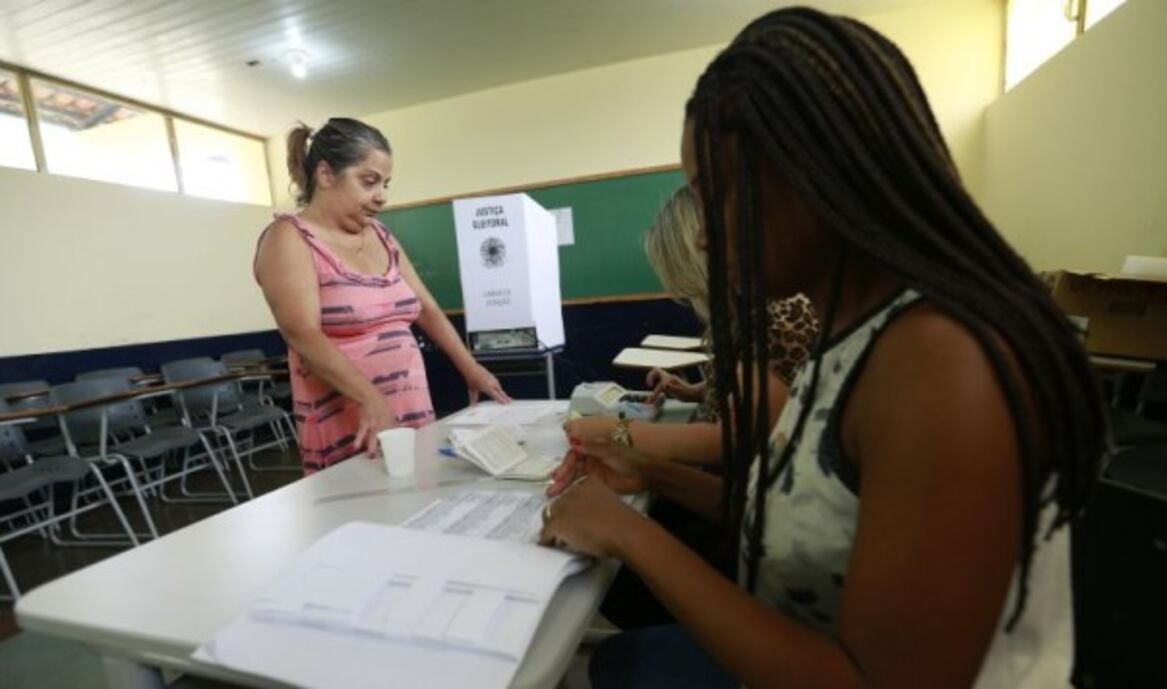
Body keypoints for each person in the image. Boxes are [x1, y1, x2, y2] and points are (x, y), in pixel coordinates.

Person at [541, 8, 1106, 689]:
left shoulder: (941, 359)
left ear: (815, 175)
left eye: (715, 197)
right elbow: (805, 523)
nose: (699, 240)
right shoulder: (848, 335)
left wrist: (630, 534)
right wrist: (650, 476)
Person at [255, 118, 510, 474]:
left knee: (418, 499)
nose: (382, 196)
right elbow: (302, 333)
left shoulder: (381, 235)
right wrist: (369, 399)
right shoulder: (289, 238)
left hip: (408, 406)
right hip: (353, 416)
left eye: (385, 184)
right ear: (326, 175)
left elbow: (428, 309)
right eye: (369, 181)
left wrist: (470, 367)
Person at [566, 184, 819, 466]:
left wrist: (618, 430)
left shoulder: (778, 315)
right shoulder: (744, 314)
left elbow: (738, 440)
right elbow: (746, 388)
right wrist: (695, 390)